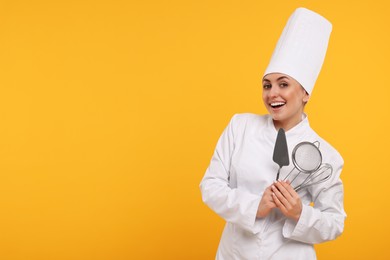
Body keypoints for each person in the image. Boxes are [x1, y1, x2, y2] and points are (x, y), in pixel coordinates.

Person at [200, 7, 346, 260]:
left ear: (305, 93)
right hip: (234, 254)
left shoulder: (325, 154)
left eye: (284, 84)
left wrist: (300, 213)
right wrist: (254, 206)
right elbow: (210, 186)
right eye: (267, 85)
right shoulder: (240, 126)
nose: (272, 94)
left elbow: (334, 223)